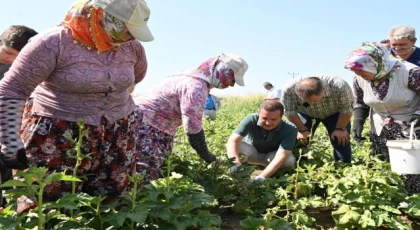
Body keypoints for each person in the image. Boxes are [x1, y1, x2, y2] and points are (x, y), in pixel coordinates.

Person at [0, 0, 153, 211]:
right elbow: (12, 89)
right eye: (124, 30)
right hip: (57, 134)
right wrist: (9, 139)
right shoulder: (52, 42)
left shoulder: (132, 47)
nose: (130, 37)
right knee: (47, 204)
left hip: (116, 134)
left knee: (108, 204)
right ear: (97, 16)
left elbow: (137, 76)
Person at [134, 53, 248, 185]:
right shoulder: (196, 87)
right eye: (232, 79)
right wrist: (205, 154)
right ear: (222, 70)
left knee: (137, 168)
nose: (232, 85)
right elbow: (192, 125)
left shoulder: (189, 76)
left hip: (145, 122)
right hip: (147, 127)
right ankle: (130, 203)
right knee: (142, 173)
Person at [344, 42, 420, 194]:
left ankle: (413, 201)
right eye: (356, 72)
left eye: (363, 71)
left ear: (376, 63)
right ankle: (391, 197)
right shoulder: (359, 79)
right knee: (383, 163)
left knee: (411, 166)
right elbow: (360, 103)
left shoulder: (410, 72)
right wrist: (358, 123)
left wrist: (418, 114)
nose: (359, 75)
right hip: (380, 127)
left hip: (410, 125)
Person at [354, 26, 420, 142]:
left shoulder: (412, 70)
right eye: (394, 45)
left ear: (413, 41)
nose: (397, 49)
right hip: (382, 124)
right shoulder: (381, 58)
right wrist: (358, 121)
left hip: (411, 121)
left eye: (402, 45)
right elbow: (361, 99)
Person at [0, 25, 38, 208]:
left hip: (12, 133)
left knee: (10, 181)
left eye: (18, 56)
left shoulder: (27, 70)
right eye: (7, 52)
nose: (11, 59)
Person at [281, 76, 354, 163]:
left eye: (313, 101)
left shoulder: (340, 86)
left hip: (334, 113)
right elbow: (290, 112)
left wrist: (340, 128)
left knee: (341, 140)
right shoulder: (289, 90)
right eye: (306, 101)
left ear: (324, 90)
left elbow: (346, 109)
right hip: (305, 113)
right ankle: (300, 165)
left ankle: (343, 166)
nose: (310, 104)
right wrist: (302, 130)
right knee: (300, 140)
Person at [227, 100, 296, 185]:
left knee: (289, 160)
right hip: (252, 154)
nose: (268, 123)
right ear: (258, 114)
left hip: (271, 157)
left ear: (281, 117)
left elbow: (281, 156)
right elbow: (233, 141)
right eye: (264, 118)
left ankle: (275, 177)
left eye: (273, 119)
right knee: (237, 147)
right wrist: (236, 165)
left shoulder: (290, 128)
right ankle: (242, 172)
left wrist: (261, 178)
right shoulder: (251, 118)